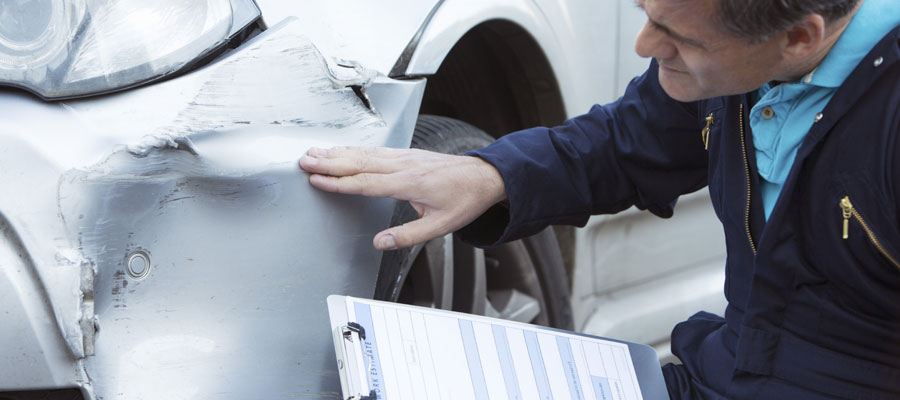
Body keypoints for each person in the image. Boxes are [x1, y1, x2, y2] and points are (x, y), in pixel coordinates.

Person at [300, 0, 900, 398]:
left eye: (677, 36)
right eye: (645, 11)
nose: (644, 44)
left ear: (798, 38)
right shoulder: (740, 55)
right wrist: (490, 177)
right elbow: (628, 142)